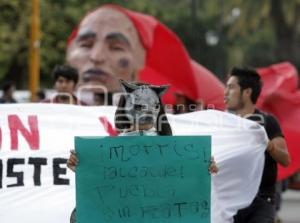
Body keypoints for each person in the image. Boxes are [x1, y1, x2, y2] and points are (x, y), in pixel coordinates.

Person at [67, 80, 218, 222]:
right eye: (139, 105)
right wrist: (83, 169)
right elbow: (96, 198)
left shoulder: (176, 152)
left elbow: (187, 192)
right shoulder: (106, 153)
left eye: (152, 105)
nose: (146, 111)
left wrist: (203, 168)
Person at [66, 4, 225, 108]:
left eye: (116, 47)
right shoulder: (48, 113)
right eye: (85, 45)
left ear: (139, 62)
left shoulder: (151, 121)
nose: (96, 56)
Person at [224, 66, 291, 223]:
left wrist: (268, 145)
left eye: (231, 87)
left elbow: (285, 160)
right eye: (225, 87)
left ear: (247, 92)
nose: (225, 93)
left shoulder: (267, 122)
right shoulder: (222, 123)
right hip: (229, 202)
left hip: (261, 202)